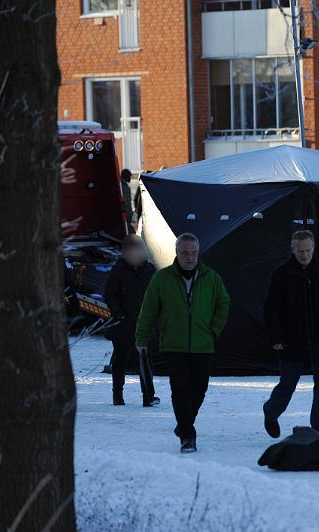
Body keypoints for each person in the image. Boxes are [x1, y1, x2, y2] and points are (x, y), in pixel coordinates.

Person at [135, 233, 230, 453]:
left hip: (202, 344)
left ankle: (183, 423)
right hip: (173, 345)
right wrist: (141, 338)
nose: (189, 257)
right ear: (177, 252)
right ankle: (188, 435)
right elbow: (148, 310)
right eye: (185, 253)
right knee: (179, 389)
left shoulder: (211, 278)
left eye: (193, 253)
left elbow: (223, 304)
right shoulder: (162, 278)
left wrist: (213, 330)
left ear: (198, 253)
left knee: (199, 389)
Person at [263, 230, 319, 438]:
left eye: (308, 250)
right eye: (300, 251)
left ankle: (317, 428)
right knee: (288, 384)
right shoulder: (282, 275)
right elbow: (271, 309)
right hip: (292, 339)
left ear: (314, 249)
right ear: (293, 250)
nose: (304, 254)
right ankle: (271, 411)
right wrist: (276, 337)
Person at [104, 235, 159, 407]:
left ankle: (148, 396)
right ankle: (117, 395)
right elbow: (110, 294)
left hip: (144, 322)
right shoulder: (118, 270)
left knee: (145, 359)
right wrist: (118, 313)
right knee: (120, 359)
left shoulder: (150, 270)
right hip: (123, 323)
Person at [120, 169, 136, 234]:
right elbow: (126, 203)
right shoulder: (123, 187)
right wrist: (129, 213)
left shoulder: (122, 185)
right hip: (126, 215)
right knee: (130, 232)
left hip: (126, 214)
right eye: (129, 177)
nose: (130, 179)